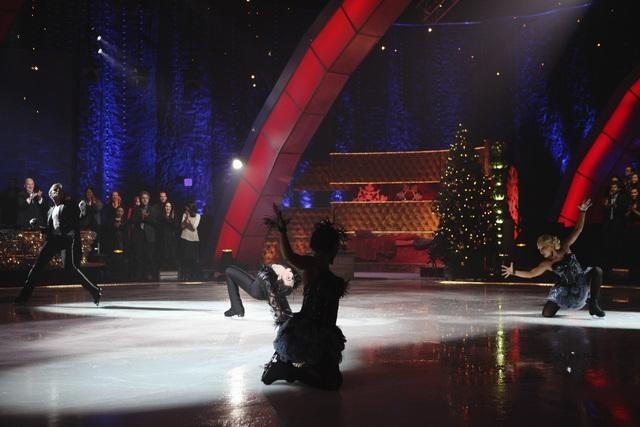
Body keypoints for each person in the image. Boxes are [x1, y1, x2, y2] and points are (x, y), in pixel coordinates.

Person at [261, 205, 349, 390]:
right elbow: (291, 257)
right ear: (332, 248)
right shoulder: (312, 266)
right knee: (331, 383)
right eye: (337, 246)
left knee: (333, 381)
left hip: (324, 333)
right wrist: (283, 232)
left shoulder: (324, 271)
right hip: (307, 331)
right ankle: (289, 371)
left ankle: (295, 370)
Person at [501, 199, 605, 318]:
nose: (540, 251)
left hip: (581, 281)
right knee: (546, 314)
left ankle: (593, 304)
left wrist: (582, 211)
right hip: (566, 290)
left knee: (597, 270)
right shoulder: (547, 264)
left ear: (550, 245)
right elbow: (531, 274)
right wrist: (513, 272)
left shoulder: (565, 247)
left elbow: (578, 230)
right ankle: (561, 304)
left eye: (542, 248)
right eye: (539, 249)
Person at [14, 183, 102, 306]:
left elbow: (79, 217)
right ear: (50, 194)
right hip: (53, 241)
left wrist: (83, 210)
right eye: (55, 190)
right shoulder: (51, 210)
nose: (57, 192)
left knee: (71, 269)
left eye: (59, 190)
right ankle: (23, 297)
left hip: (65, 240)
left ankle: (94, 290)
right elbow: (50, 229)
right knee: (37, 267)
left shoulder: (68, 205)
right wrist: (37, 226)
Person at [223, 263, 301, 322]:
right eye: (292, 277)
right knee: (281, 300)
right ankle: (237, 308)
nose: (291, 275)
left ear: (280, 278)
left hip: (255, 289)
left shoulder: (268, 281)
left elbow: (272, 298)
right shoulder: (282, 272)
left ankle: (236, 308)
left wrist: (280, 317)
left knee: (229, 270)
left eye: (288, 278)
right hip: (259, 284)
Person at [130, 191, 160, 281]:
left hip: (149, 236)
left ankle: (150, 274)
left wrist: (146, 218)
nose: (145, 200)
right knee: (139, 256)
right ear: (140, 199)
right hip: (139, 236)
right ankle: (139, 275)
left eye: (146, 198)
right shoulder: (136, 209)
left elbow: (155, 222)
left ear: (149, 199)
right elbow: (132, 220)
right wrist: (141, 218)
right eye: (143, 198)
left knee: (149, 256)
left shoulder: (153, 209)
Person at [179, 202, 200, 280]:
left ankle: (193, 275)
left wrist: (188, 221)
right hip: (185, 238)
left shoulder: (198, 216)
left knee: (193, 259)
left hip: (194, 239)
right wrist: (186, 218)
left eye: (189, 210)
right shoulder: (185, 215)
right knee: (185, 258)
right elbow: (182, 226)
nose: (187, 211)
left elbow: (193, 227)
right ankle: (185, 275)